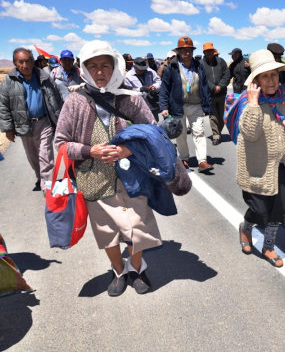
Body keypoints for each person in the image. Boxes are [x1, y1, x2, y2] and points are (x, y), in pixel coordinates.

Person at [54, 40, 191, 296]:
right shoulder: (74, 102)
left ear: (115, 66)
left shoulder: (130, 98)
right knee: (108, 233)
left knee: (137, 228)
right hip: (94, 180)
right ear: (83, 68)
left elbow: (153, 133)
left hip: (133, 177)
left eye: (105, 65)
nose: (99, 72)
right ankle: (119, 271)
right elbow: (60, 144)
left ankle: (137, 269)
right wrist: (89, 151)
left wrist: (128, 150)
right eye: (92, 66)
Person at [232, 49, 285, 267]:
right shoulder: (248, 103)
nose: (271, 80)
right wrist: (255, 103)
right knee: (259, 209)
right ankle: (246, 228)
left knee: (277, 211)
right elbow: (249, 133)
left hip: (281, 166)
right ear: (255, 80)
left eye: (274, 74)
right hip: (256, 168)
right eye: (264, 76)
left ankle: (268, 247)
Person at [0, 47, 63, 192]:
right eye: (21, 62)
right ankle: (41, 178)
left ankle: (48, 190)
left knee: (45, 157)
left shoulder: (44, 77)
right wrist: (8, 129)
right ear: (15, 63)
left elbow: (55, 99)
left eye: (28, 61)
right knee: (33, 158)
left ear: (33, 61)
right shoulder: (9, 81)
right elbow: (3, 106)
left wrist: (60, 119)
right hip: (24, 125)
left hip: (44, 122)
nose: (25, 65)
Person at [159, 36, 213, 172]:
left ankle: (202, 161)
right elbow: (165, 88)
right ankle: (184, 159)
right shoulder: (172, 67)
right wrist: (164, 107)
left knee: (199, 132)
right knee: (181, 134)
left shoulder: (199, 66)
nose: (187, 53)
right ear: (178, 52)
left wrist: (207, 106)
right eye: (183, 50)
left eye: (189, 50)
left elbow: (205, 87)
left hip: (196, 105)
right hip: (178, 106)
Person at [200, 42, 230, 146]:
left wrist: (220, 86)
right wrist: (213, 87)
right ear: (204, 52)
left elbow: (227, 75)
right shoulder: (201, 64)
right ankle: (216, 135)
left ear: (214, 51)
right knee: (213, 116)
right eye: (207, 51)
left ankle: (218, 132)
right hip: (209, 94)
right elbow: (202, 78)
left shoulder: (221, 61)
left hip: (221, 93)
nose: (209, 53)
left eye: (211, 51)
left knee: (221, 116)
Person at [124, 56, 162, 121]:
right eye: (140, 69)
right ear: (134, 66)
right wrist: (140, 89)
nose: (142, 71)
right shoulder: (128, 77)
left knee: (155, 124)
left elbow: (159, 81)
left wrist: (154, 87)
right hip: (139, 108)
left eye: (144, 69)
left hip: (153, 104)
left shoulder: (150, 71)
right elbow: (128, 92)